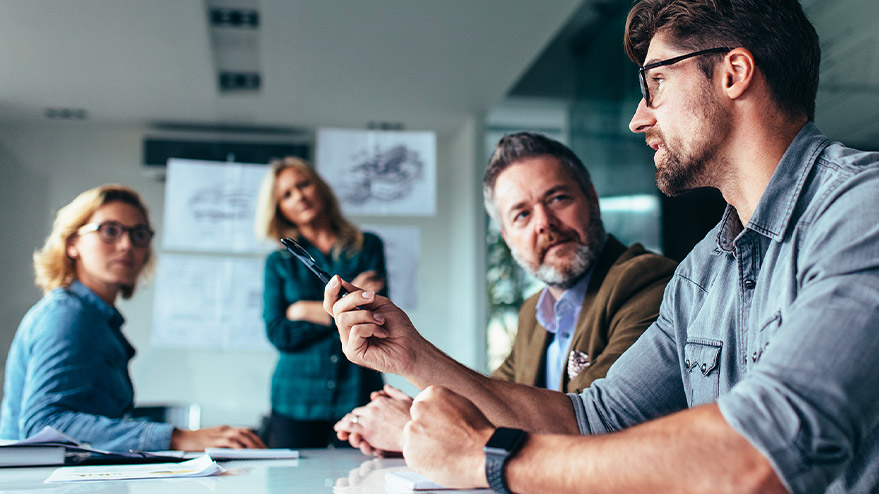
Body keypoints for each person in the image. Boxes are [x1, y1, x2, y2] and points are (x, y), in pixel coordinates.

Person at [323, 0, 879, 492]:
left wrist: (490, 459)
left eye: (654, 83)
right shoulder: (704, 271)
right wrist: (411, 355)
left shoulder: (861, 209)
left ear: (733, 72)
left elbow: (763, 452)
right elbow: (591, 418)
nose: (639, 118)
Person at [333, 132, 676, 456]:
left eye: (557, 198)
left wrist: (413, 428)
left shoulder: (646, 282)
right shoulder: (534, 313)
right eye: (522, 214)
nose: (544, 222)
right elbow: (493, 404)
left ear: (592, 199)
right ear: (507, 237)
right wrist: (422, 411)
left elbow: (588, 428)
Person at [0, 184, 265, 452]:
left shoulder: (98, 320)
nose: (127, 245)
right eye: (109, 231)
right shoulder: (67, 315)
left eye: (139, 235)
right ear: (73, 244)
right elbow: (44, 426)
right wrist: (177, 438)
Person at [255, 157, 387, 448]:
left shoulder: (368, 246)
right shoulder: (278, 262)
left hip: (358, 392)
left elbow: (375, 318)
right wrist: (345, 309)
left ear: (320, 188)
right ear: (279, 209)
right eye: (287, 194)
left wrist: (302, 310)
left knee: (363, 483)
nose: (299, 196)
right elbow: (279, 332)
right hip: (296, 398)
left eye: (304, 185)